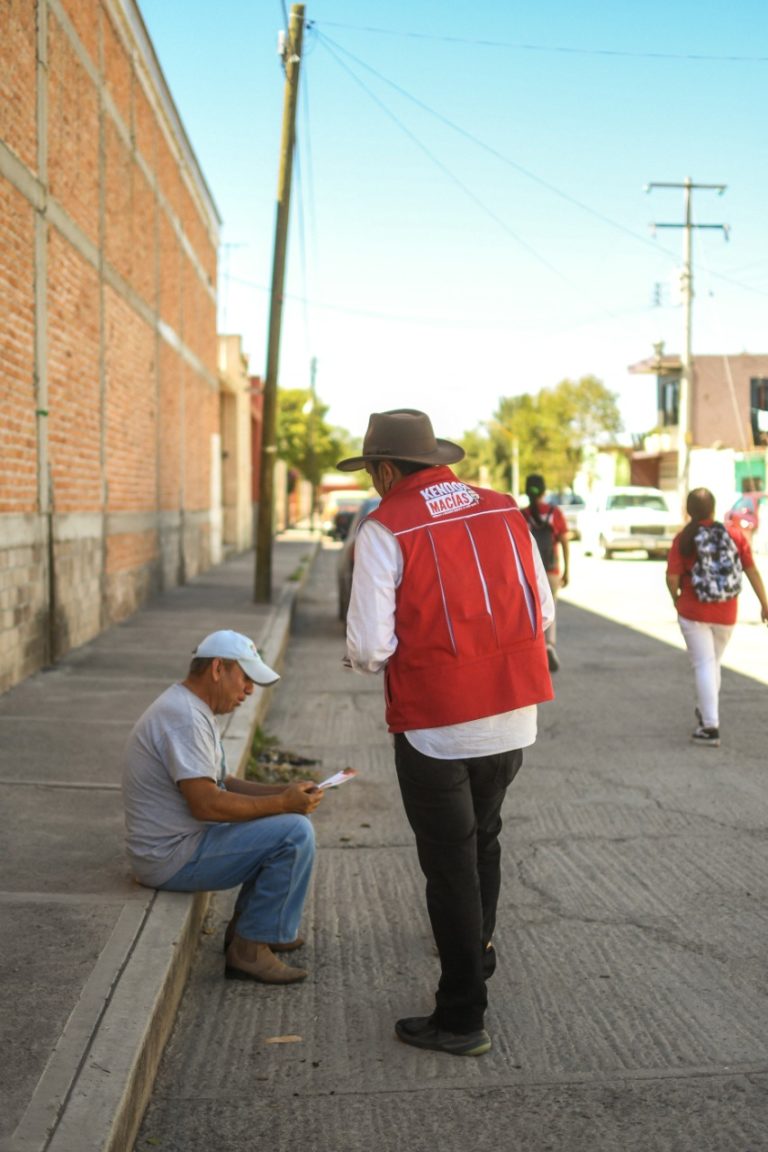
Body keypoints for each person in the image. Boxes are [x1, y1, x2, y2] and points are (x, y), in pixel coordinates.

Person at [338, 409, 554, 1057]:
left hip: (436, 724)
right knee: (484, 839)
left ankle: (461, 1016)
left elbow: (370, 647)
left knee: (449, 866)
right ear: (434, 459)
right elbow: (541, 608)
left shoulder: (386, 526)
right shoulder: (503, 508)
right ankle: (477, 951)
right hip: (514, 712)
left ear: (383, 470)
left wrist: (365, 656)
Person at [121, 629, 323, 984]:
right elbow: (207, 805)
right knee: (294, 832)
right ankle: (248, 951)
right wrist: (281, 804)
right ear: (218, 668)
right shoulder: (183, 718)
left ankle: (258, 928)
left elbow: (224, 783)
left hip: (183, 844)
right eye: (245, 679)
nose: (249, 690)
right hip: (170, 858)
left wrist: (286, 792)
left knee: (286, 820)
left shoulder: (193, 709)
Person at [666, 487, 768, 747]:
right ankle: (705, 712)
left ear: (689, 511)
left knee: (703, 664)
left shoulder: (684, 539)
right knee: (713, 663)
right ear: (713, 508)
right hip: (727, 611)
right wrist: (764, 603)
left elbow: (672, 577)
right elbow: (752, 571)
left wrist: (676, 598)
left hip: (693, 611)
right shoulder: (734, 534)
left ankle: (710, 726)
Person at [521, 473, 569, 672]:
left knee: (530, 612)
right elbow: (565, 542)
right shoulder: (554, 512)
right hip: (551, 570)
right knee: (551, 610)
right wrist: (567, 570)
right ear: (543, 490)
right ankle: (549, 646)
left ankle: (534, 650)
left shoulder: (521, 514)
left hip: (529, 573)